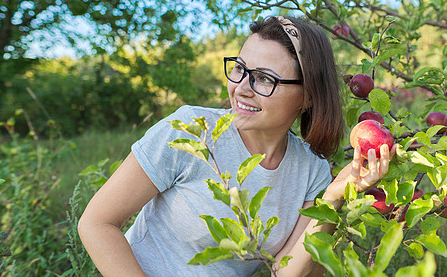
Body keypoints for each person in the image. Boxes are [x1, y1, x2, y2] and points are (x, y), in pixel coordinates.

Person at [78, 16, 397, 276]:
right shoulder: (193, 130)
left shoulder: (311, 171)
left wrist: (334, 196)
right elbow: (96, 223)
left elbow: (285, 273)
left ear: (308, 96)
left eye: (263, 78)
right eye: (239, 69)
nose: (241, 88)